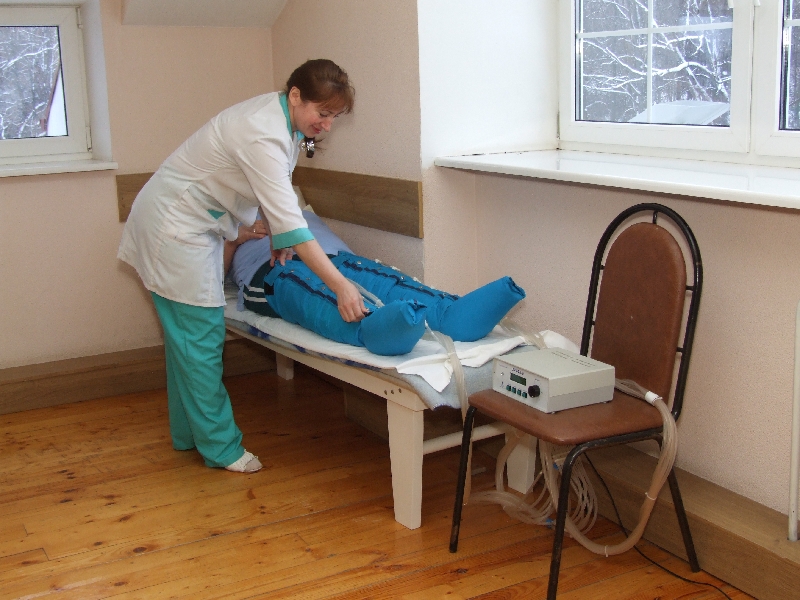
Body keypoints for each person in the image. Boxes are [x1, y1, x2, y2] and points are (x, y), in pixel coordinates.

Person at [118, 60, 365, 474]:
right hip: (174, 228)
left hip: (192, 224)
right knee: (201, 339)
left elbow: (273, 195)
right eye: (322, 113)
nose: (326, 126)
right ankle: (221, 448)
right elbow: (293, 221)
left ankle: (187, 435)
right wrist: (340, 285)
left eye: (334, 118)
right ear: (295, 96)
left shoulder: (282, 121)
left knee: (185, 342)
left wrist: (279, 236)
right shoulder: (262, 131)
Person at [226, 213, 527, 355]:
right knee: (331, 302)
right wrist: (235, 237)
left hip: (336, 258)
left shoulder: (290, 205)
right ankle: (377, 328)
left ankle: (449, 314)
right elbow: (213, 278)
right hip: (273, 272)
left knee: (389, 282)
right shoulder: (225, 220)